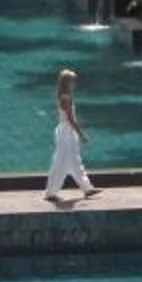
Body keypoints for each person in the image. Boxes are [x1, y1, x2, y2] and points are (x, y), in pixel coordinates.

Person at [45, 67, 95, 202]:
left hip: (65, 131)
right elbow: (71, 119)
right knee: (61, 161)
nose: (75, 84)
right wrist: (81, 133)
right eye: (73, 81)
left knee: (74, 160)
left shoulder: (63, 96)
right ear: (67, 83)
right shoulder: (66, 98)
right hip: (66, 132)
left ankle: (87, 188)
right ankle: (51, 192)